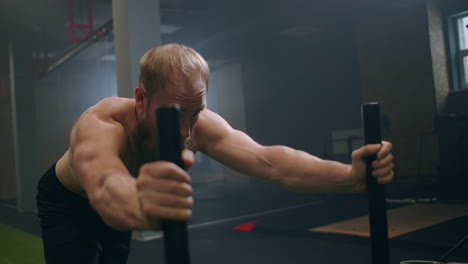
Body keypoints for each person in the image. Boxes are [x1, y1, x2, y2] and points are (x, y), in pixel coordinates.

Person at [36, 43, 394, 264]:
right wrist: (138, 202)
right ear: (142, 99)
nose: (186, 130)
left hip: (125, 204)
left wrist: (348, 176)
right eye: (175, 113)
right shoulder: (103, 124)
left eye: (195, 113)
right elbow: (104, 183)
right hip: (69, 203)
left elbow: (270, 162)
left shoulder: (198, 122)